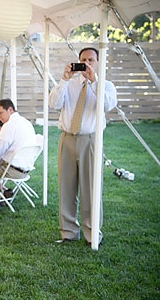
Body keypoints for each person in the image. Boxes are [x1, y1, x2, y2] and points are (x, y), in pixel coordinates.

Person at [49, 47, 117, 246]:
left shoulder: (106, 85)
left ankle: (92, 234)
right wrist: (64, 79)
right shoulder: (69, 84)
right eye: (83, 60)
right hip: (67, 138)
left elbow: (107, 105)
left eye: (91, 60)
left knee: (90, 188)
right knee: (66, 188)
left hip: (90, 140)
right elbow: (54, 103)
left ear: (98, 63)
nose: (87, 63)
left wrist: (94, 80)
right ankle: (68, 232)